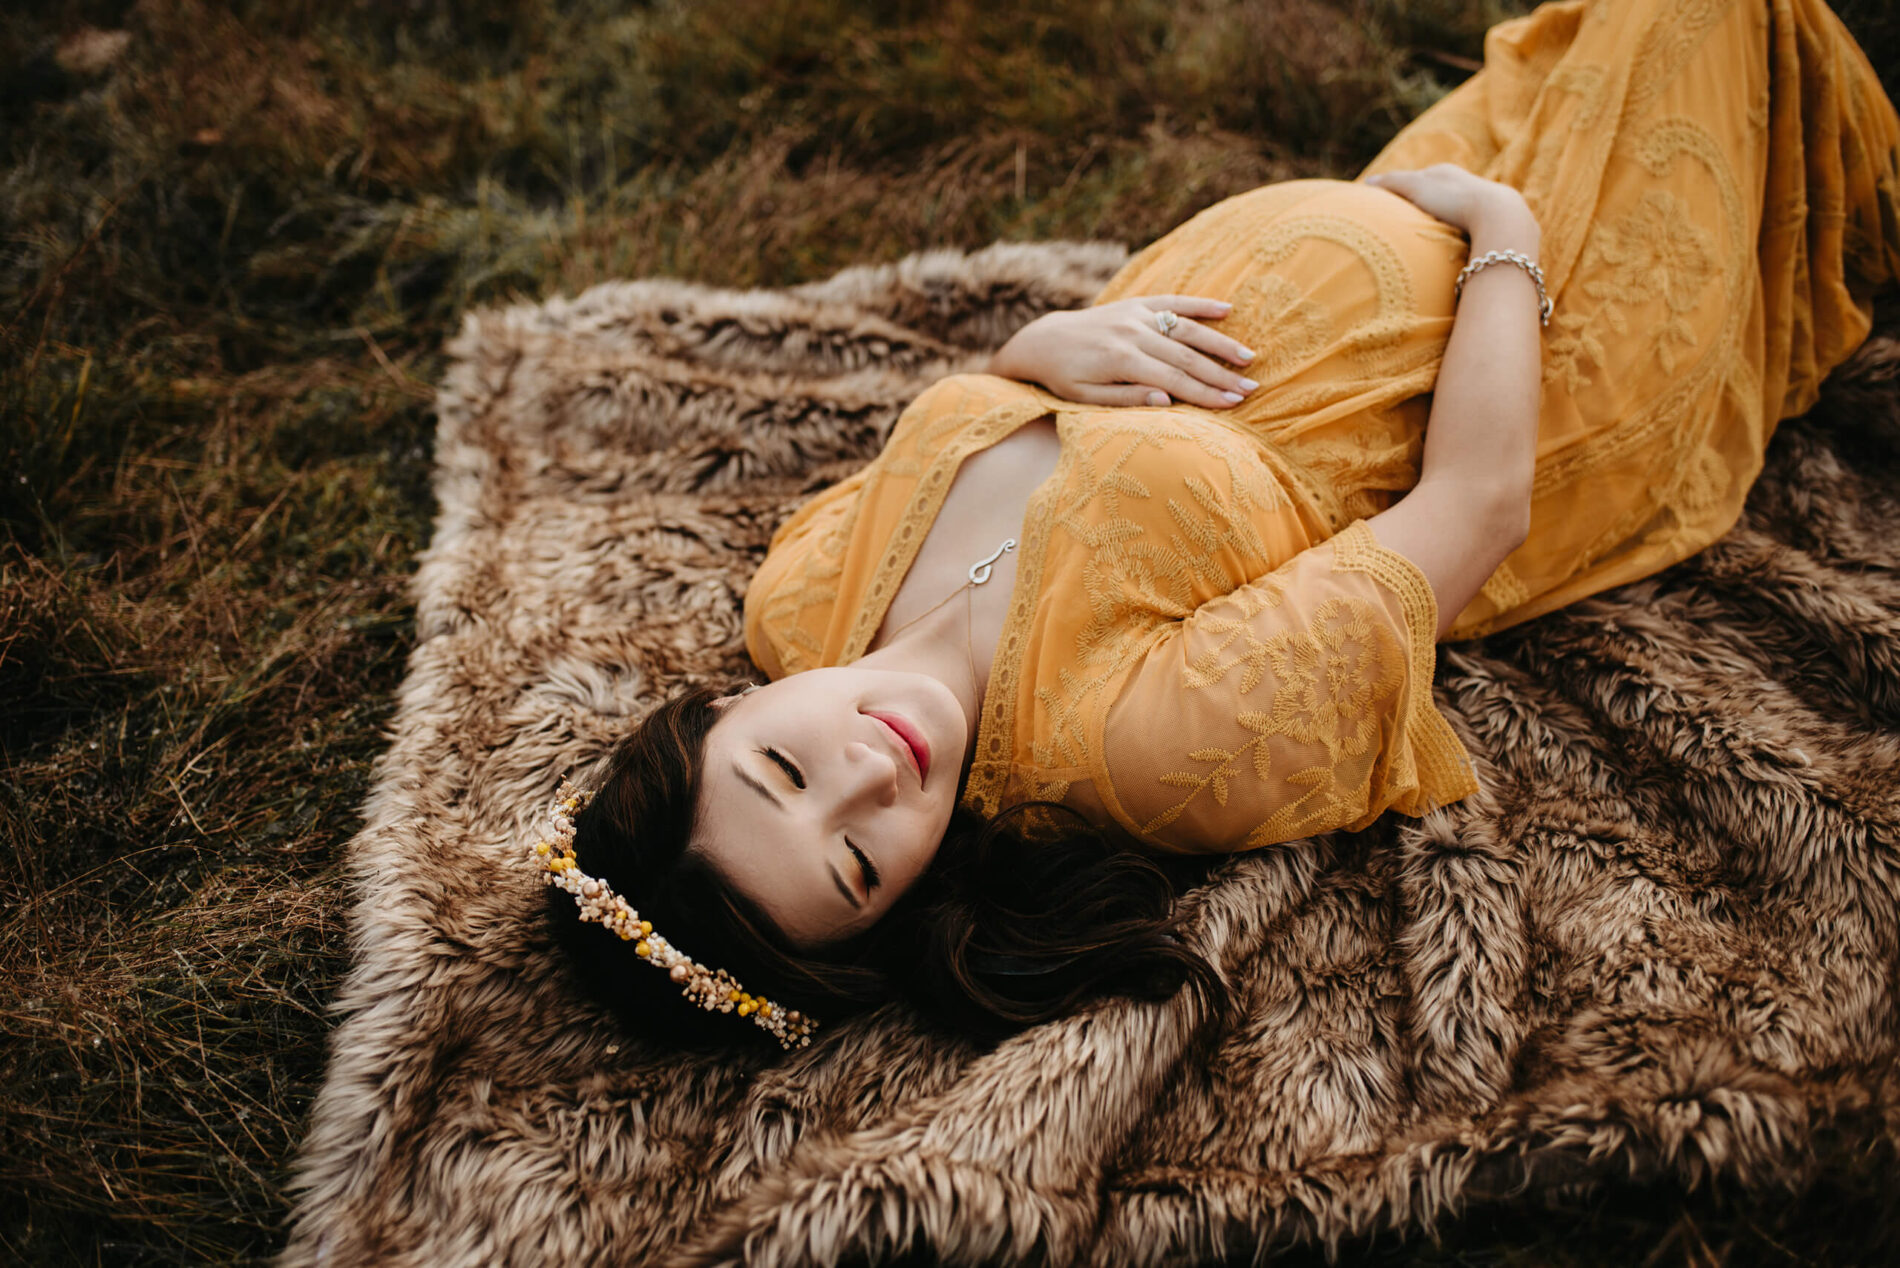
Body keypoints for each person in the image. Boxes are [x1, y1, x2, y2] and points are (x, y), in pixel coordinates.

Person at [539, 0, 1900, 1050]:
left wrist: (1036, 346)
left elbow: (974, 412)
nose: (867, 777)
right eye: (855, 864)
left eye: (782, 769)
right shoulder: (1145, 748)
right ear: (899, 906)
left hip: (1399, 209)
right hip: (1540, 337)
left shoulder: (798, 601)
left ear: (725, 712)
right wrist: (1503, 230)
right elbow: (1479, 506)